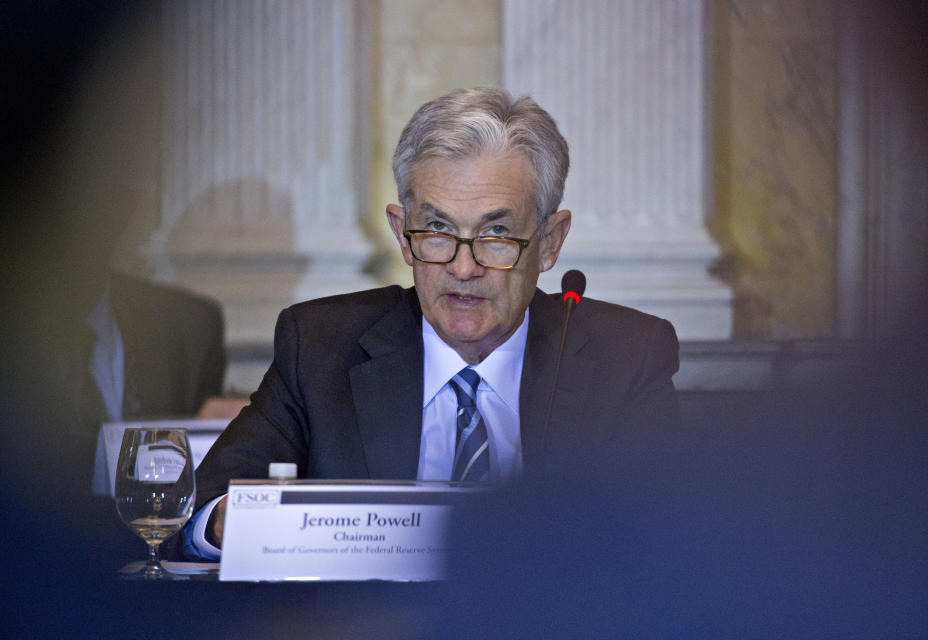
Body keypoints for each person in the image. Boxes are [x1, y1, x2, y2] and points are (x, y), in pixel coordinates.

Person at [183, 87, 680, 560]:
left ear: (550, 241)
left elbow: (665, 534)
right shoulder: (320, 347)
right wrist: (254, 522)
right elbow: (204, 507)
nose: (464, 268)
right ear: (402, 234)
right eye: (438, 230)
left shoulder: (626, 358)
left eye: (496, 233)